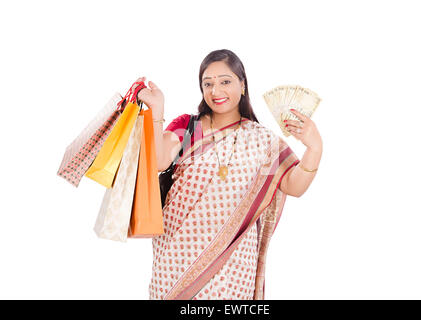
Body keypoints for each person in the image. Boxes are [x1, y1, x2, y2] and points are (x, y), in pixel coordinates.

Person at [131, 49, 323, 300]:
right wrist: (157, 110)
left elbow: (294, 185)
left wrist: (314, 147)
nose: (215, 91)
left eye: (225, 82)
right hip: (175, 259)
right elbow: (157, 161)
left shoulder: (262, 141)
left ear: (242, 85)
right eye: (207, 84)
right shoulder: (189, 127)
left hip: (232, 265)